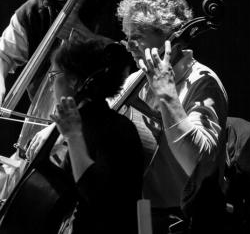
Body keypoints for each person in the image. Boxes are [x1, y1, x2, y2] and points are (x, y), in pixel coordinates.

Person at [0, 0, 179, 197]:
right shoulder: (31, 13)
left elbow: (175, 7)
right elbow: (2, 56)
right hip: (49, 140)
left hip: (108, 138)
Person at [1, 37, 144, 233]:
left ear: (74, 80)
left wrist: (73, 138)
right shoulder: (84, 122)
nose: (51, 86)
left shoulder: (114, 129)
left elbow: (97, 195)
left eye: (54, 75)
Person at [115, 0, 229, 234]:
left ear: (168, 36)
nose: (129, 46)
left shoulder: (202, 82)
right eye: (127, 37)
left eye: (137, 37)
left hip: (180, 223)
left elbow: (197, 164)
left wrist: (166, 94)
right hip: (140, 217)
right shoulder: (136, 79)